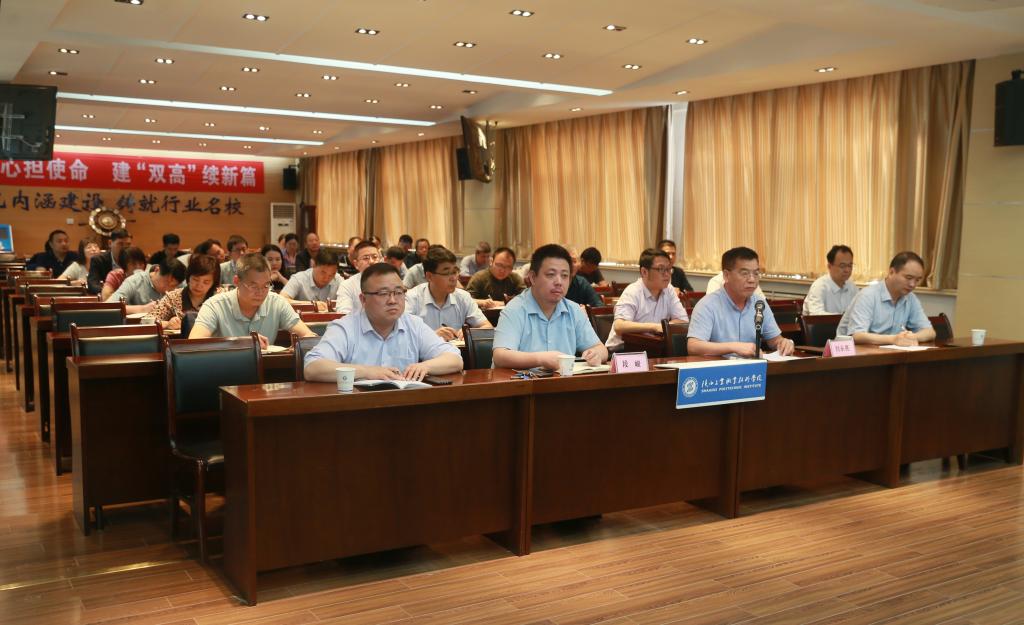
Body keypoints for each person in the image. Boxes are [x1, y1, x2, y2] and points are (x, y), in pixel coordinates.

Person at [303, 263, 463, 382]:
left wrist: (425, 366)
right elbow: (312, 367)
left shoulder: (413, 324)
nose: (393, 300)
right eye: (383, 293)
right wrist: (367, 372)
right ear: (363, 299)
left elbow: (454, 359)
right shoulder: (345, 328)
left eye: (398, 292)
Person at [492, 244, 608, 370]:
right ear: (533, 278)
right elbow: (500, 356)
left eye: (564, 276)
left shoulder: (574, 310)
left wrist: (596, 354)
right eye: (551, 274)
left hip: (562, 381)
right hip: (520, 381)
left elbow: (601, 349)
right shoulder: (515, 309)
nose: (559, 282)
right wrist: (540, 359)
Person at [189, 252, 316, 348]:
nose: (260, 292)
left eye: (266, 285)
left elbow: (309, 336)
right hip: (223, 370)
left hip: (264, 370)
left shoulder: (276, 303)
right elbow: (194, 343)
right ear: (237, 281)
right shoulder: (215, 305)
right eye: (253, 286)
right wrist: (243, 342)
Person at [687, 247, 795, 357]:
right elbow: (693, 346)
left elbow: (774, 340)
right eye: (745, 273)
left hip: (753, 367)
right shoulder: (707, 305)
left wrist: (783, 343)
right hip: (721, 366)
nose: (752, 279)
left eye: (756, 273)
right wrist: (733, 347)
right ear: (726, 275)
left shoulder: (759, 303)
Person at [837, 251, 935, 346]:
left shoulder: (911, 298)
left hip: (888, 353)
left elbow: (930, 332)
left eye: (917, 280)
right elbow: (857, 336)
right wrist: (894, 339)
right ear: (891, 272)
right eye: (908, 278)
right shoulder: (868, 295)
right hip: (851, 353)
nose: (913, 284)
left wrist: (911, 337)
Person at [605, 248, 689, 351]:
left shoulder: (669, 290)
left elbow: (683, 321)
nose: (667, 274)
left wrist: (663, 327)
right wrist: (655, 327)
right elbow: (619, 326)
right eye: (661, 269)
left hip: (652, 347)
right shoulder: (632, 291)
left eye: (669, 269)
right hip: (621, 350)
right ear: (644, 272)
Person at [405, 246, 491, 340]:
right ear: (429, 276)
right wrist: (432, 336)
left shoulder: (463, 297)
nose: (454, 278)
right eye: (446, 273)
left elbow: (487, 328)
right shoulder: (413, 298)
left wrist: (471, 333)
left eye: (454, 272)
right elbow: (402, 335)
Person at [150, 254, 222, 331]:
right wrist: (168, 324)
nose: (199, 285)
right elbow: (149, 321)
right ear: (188, 277)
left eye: (206, 282)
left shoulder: (220, 298)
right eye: (195, 279)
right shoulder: (173, 297)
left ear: (214, 283)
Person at [106, 257, 185, 314]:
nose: (168, 289)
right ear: (157, 270)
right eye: (166, 282)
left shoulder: (180, 285)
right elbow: (109, 306)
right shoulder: (135, 281)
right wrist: (143, 309)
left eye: (173, 286)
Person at [803, 245, 859, 315]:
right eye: (842, 266)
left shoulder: (851, 286)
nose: (847, 270)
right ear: (829, 266)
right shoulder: (819, 286)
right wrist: (842, 317)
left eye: (850, 265)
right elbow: (816, 315)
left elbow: (859, 310)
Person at [335, 240, 383, 315]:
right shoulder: (347, 286)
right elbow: (344, 315)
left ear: (380, 260)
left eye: (375, 257)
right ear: (356, 264)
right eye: (366, 258)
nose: (371, 261)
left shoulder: (391, 282)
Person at [86, 228, 132, 294]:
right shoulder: (98, 260)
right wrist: (109, 292)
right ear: (110, 243)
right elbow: (93, 284)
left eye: (128, 244)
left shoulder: (133, 260)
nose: (124, 248)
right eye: (120, 244)